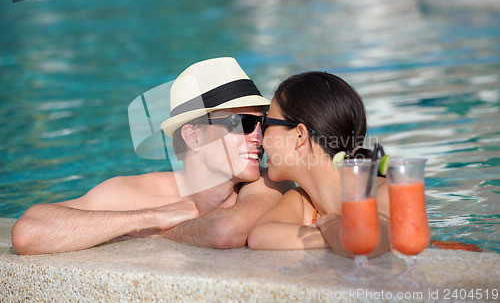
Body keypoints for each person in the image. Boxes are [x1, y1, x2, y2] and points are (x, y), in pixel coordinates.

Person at [11, 57, 294, 255]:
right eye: (242, 123)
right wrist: (148, 217)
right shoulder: (141, 192)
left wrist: (162, 230)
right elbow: (28, 233)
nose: (258, 136)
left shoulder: (266, 183)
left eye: (262, 123)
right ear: (193, 136)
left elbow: (223, 232)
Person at [247, 71, 390, 257]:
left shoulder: (382, 191)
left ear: (300, 135)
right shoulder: (302, 201)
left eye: (266, 123)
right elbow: (259, 236)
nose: (260, 137)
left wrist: (328, 222)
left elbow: (368, 242)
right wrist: (335, 234)